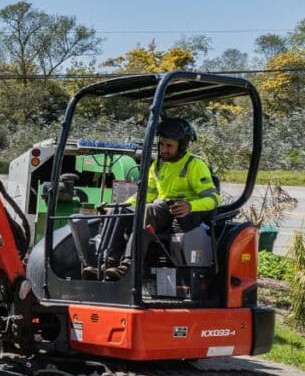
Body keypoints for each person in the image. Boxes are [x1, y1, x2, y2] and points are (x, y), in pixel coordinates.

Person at [87, 117, 220, 280]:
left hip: (178, 215)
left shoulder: (195, 165)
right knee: (117, 209)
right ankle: (106, 263)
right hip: (158, 210)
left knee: (148, 209)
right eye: (161, 144)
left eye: (169, 145)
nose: (163, 149)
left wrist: (190, 206)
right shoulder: (157, 164)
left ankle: (129, 266)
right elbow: (145, 196)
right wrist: (121, 205)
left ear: (182, 145)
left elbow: (214, 199)